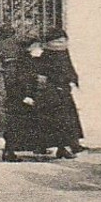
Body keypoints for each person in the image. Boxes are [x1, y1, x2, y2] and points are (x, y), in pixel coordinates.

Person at [39, 29, 85, 158]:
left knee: (65, 119)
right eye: (59, 40)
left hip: (62, 90)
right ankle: (68, 146)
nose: (62, 43)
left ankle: (66, 147)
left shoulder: (61, 52)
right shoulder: (49, 54)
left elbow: (68, 68)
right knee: (60, 120)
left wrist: (72, 80)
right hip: (53, 91)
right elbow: (50, 71)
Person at [2, 36, 49, 161]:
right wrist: (24, 97)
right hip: (19, 100)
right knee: (16, 126)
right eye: (37, 46)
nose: (40, 49)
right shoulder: (23, 62)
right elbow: (18, 82)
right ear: (29, 48)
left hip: (24, 98)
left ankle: (30, 149)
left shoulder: (29, 61)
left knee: (25, 125)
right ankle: (8, 152)